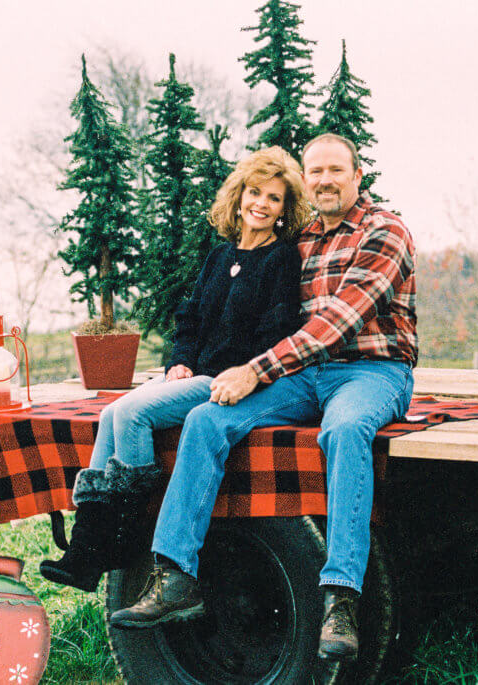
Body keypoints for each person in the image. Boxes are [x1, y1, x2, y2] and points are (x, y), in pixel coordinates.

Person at [109, 133, 418, 663]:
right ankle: (175, 573)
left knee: (343, 430)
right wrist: (197, 356)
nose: (324, 179)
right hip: (305, 375)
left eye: (335, 170)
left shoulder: (384, 231)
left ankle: (341, 598)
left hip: (372, 370)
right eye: (315, 171)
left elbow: (338, 323)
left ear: (356, 176)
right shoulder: (302, 239)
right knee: (207, 418)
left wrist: (254, 370)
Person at [39, 146, 311, 592]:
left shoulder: (281, 259)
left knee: (131, 413)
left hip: (232, 382)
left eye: (274, 198)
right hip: (195, 374)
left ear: (284, 210)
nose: (261, 204)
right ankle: (86, 552)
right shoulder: (219, 257)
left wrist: (240, 372)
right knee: (111, 414)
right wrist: (179, 361)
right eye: (255, 192)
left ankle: (122, 539)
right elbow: (190, 319)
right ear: (239, 196)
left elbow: (276, 329)